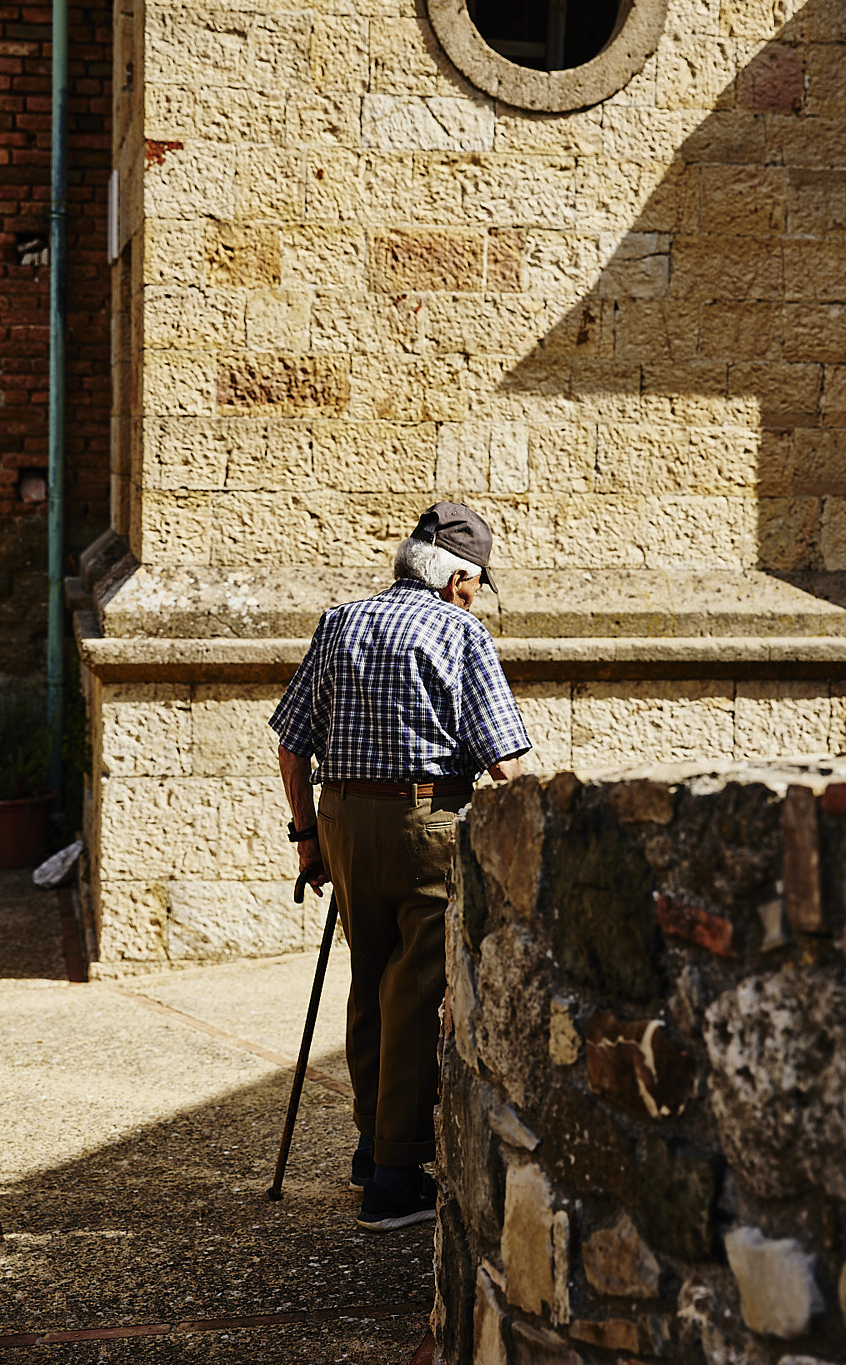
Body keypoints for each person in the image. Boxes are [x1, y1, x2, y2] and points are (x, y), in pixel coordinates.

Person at [270, 502, 531, 1232]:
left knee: (371, 980)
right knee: (416, 993)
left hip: (345, 820)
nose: (475, 594)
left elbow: (292, 745)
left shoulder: (339, 622)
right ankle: (394, 1178)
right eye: (476, 582)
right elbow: (506, 762)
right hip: (428, 825)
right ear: (455, 579)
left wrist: (306, 838)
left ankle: (369, 1147)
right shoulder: (461, 632)